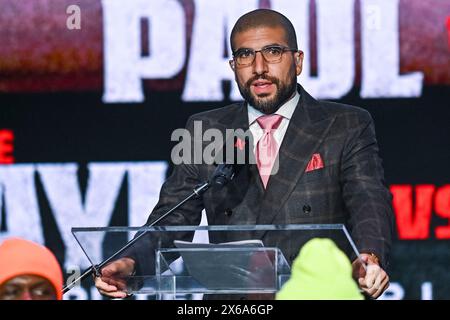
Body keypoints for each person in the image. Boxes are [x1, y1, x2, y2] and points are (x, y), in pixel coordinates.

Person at [95, 9, 393, 299]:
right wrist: (132, 263)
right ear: (233, 65)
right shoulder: (206, 129)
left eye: (273, 52)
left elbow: (368, 200)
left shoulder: (344, 125)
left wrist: (369, 257)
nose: (259, 67)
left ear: (298, 61)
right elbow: (174, 217)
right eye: (245, 55)